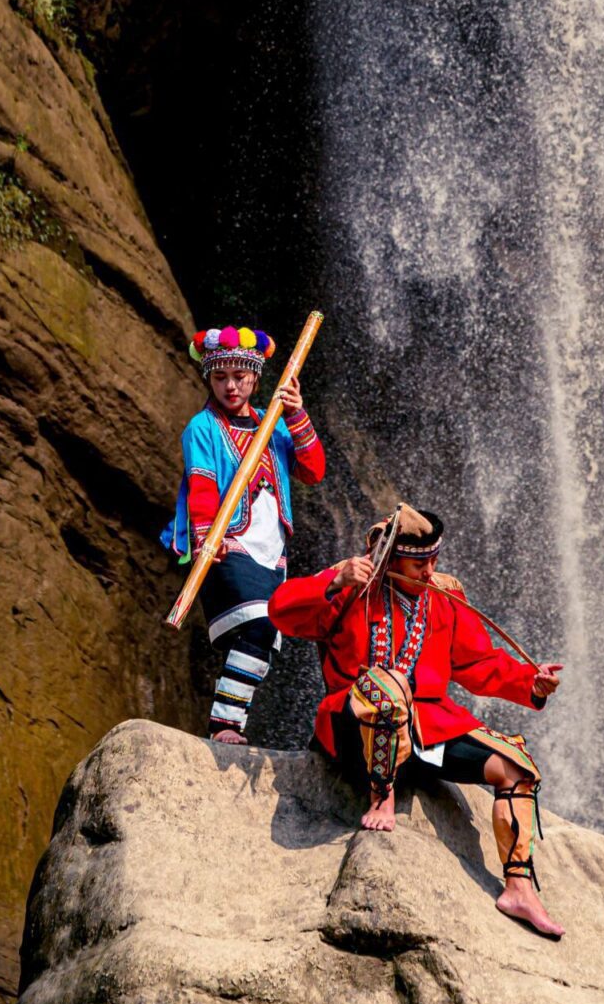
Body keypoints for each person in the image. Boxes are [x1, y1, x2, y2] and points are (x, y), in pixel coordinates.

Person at [269, 505, 566, 938]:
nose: (429, 571)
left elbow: (480, 663)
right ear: (391, 559)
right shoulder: (352, 584)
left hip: (427, 728)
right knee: (388, 692)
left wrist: (531, 683)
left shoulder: (443, 595)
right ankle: (381, 795)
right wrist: (332, 583)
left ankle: (519, 887)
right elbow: (281, 612)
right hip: (357, 722)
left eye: (433, 560)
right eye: (418, 562)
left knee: (517, 767)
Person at [161, 325, 325, 743]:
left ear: (256, 377)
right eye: (220, 378)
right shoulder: (202, 428)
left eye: (240, 377)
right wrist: (204, 540)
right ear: (209, 378)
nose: (231, 386)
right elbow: (201, 484)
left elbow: (313, 471)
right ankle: (224, 725)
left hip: (272, 553)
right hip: (226, 543)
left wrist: (296, 413)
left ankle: (231, 721)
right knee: (260, 622)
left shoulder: (275, 426)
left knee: (268, 635)